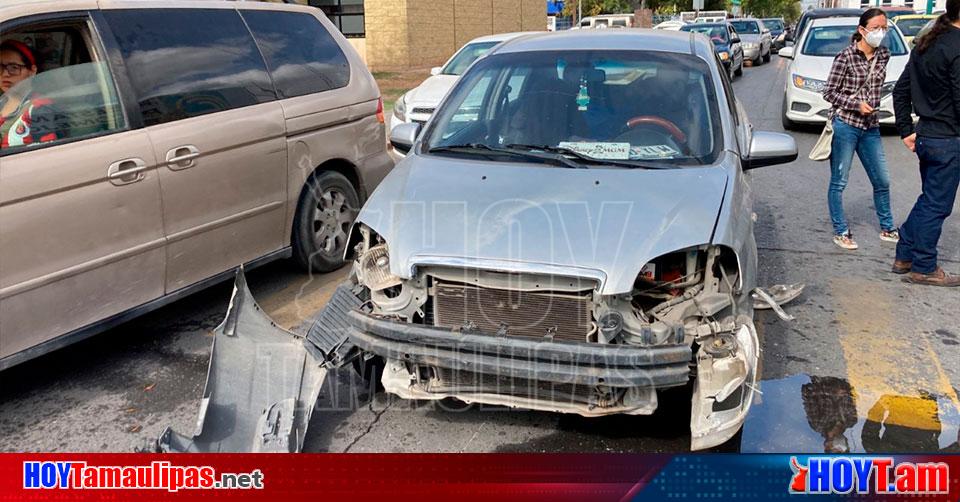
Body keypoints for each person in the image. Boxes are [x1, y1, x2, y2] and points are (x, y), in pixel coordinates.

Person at [891, 0, 960, 287]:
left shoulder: (926, 42)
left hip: (927, 136)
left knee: (929, 200)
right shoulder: (955, 47)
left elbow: (900, 89)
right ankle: (924, 265)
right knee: (937, 205)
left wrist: (907, 129)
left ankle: (905, 255)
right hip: (947, 139)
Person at [822, 9, 899, 251]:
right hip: (846, 125)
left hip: (871, 127)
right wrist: (856, 105)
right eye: (876, 28)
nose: (880, 33)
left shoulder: (884, 54)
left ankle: (887, 227)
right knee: (839, 182)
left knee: (882, 179)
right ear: (862, 30)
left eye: (884, 28)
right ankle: (841, 230)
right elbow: (829, 92)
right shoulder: (845, 57)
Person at [0, 39, 57, 149]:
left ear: (32, 71)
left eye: (14, 68)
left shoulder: (40, 108)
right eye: (0, 67)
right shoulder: (2, 102)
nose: (5, 74)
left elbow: (48, 154)